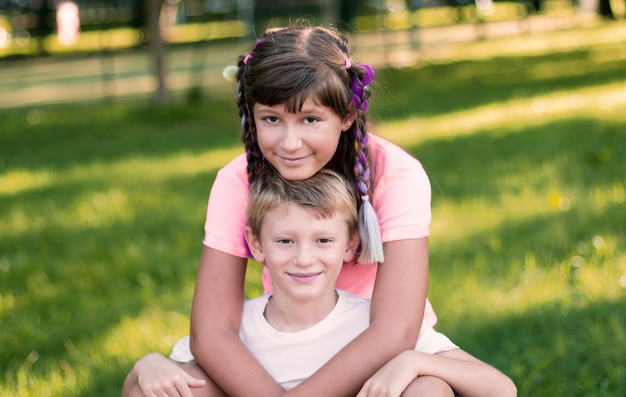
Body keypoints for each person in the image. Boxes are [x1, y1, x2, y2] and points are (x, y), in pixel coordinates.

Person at [123, 24, 509, 396]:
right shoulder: (236, 180)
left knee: (428, 391)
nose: (291, 143)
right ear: (251, 115)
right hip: (282, 344)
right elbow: (211, 331)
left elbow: (394, 329)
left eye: (310, 119)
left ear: (346, 116)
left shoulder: (395, 174)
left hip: (376, 357)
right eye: (272, 119)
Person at [125, 167, 516, 396]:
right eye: (285, 241)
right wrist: (147, 363)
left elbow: (502, 389)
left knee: (429, 390)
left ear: (351, 246)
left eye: (324, 240)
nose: (304, 258)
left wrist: (414, 361)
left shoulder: (372, 325)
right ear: (256, 245)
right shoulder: (234, 332)